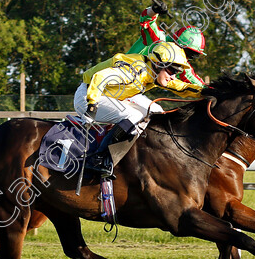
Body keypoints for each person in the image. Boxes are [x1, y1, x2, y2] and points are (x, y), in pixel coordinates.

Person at [73, 41, 202, 175]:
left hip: (112, 96)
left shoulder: (152, 72)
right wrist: (92, 105)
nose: (173, 76)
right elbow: (99, 77)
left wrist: (205, 91)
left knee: (156, 113)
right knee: (133, 116)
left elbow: (180, 87)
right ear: (158, 64)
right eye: (172, 70)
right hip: (88, 96)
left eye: (176, 72)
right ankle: (98, 158)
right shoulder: (133, 70)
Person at [126, 3, 207, 90]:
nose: (186, 58)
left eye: (192, 56)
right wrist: (153, 10)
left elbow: (193, 79)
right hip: (121, 75)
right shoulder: (159, 41)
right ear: (176, 43)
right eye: (188, 53)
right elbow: (147, 21)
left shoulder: (180, 63)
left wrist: (212, 90)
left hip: (131, 91)